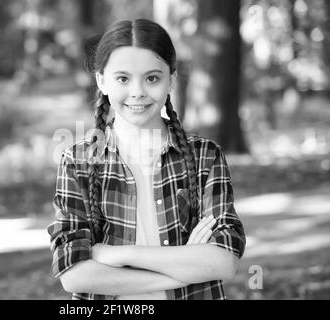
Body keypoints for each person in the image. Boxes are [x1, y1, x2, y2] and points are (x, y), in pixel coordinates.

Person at [47, 19, 246, 300]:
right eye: (123, 78)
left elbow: (224, 262)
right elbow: (74, 274)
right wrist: (186, 265)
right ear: (101, 80)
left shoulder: (205, 156)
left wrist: (118, 255)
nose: (138, 91)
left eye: (152, 78)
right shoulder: (78, 161)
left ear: (171, 80)